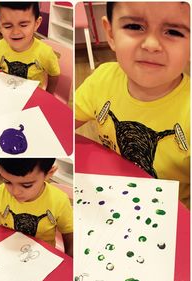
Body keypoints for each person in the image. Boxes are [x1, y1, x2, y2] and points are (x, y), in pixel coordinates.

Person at [75, 2, 190, 208]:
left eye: (173, 31)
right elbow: (59, 128)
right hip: (108, 199)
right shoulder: (101, 80)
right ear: (111, 34)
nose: (151, 44)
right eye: (135, 27)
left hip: (168, 214)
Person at [0, 158, 73, 273]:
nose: (15, 192)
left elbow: (69, 235)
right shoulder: (1, 193)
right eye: (7, 181)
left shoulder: (59, 200)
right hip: (10, 255)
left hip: (42, 258)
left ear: (49, 173)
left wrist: (69, 264)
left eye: (27, 185)